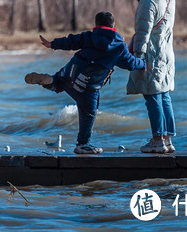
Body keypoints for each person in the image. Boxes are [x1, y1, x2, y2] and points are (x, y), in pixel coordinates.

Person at [25, 10, 145, 154]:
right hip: (88, 84)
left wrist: (52, 44)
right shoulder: (118, 45)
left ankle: (49, 81)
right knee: (88, 112)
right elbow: (130, 63)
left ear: (96, 25)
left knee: (58, 82)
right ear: (114, 27)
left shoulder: (89, 36)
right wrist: (144, 64)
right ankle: (83, 144)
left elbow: (71, 41)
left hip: (72, 71)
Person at [122, 0, 177, 154]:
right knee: (163, 95)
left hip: (151, 54)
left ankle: (157, 140)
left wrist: (138, 58)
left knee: (152, 95)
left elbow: (143, 31)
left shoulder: (149, 0)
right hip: (166, 54)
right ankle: (167, 140)